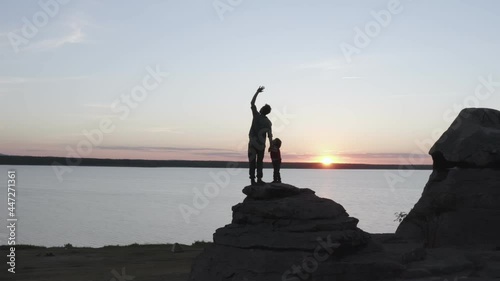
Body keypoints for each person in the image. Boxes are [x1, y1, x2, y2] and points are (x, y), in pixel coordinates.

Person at [248, 86, 272, 185]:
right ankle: (259, 179)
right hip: (261, 145)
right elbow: (270, 135)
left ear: (262, 109)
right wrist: (271, 145)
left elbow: (252, 103)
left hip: (253, 143)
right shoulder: (268, 122)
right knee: (260, 162)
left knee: (252, 161)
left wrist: (257, 92)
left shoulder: (256, 115)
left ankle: (253, 180)